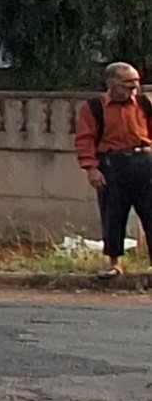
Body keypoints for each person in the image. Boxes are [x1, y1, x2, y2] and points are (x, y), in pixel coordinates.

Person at [75, 61, 152, 280]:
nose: (133, 88)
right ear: (111, 83)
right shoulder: (94, 108)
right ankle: (114, 263)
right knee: (113, 214)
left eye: (136, 83)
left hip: (143, 160)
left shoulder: (143, 104)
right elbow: (84, 139)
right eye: (127, 83)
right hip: (112, 164)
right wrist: (91, 168)